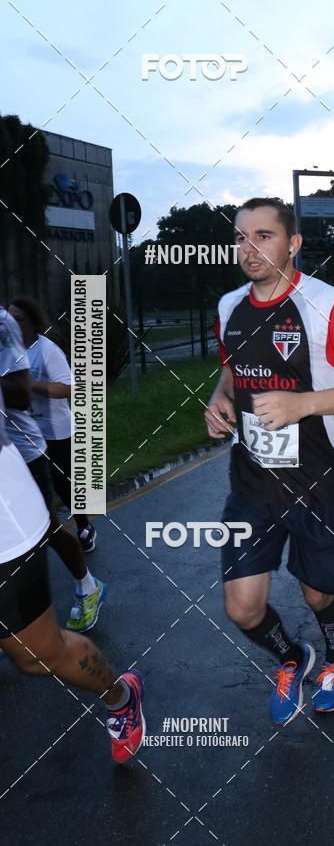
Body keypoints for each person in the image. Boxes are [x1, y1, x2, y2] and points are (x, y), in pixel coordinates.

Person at [205, 197, 334, 726]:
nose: (249, 247)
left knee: (320, 591)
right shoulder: (229, 307)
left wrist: (303, 404)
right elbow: (231, 370)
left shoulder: (327, 306)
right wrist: (219, 399)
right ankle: (292, 656)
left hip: (318, 480)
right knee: (241, 608)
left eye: (263, 235)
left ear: (292, 244)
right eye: (241, 237)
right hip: (251, 482)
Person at [0, 321, 145, 763]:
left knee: (37, 655)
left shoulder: (5, 328)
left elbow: (24, 392)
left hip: (7, 517)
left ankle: (120, 695)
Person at [0, 307, 105, 632]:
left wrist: (36, 385)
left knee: (46, 526)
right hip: (25, 442)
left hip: (31, 446)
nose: (17, 321)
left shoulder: (36, 345)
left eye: (22, 318)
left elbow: (22, 394)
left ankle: (87, 585)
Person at [8, 298, 97, 553]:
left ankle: (84, 527)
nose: (14, 324)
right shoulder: (9, 349)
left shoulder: (46, 350)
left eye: (20, 319)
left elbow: (67, 387)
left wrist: (29, 384)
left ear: (33, 322)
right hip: (24, 432)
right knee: (30, 485)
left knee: (64, 484)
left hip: (55, 431)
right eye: (10, 319)